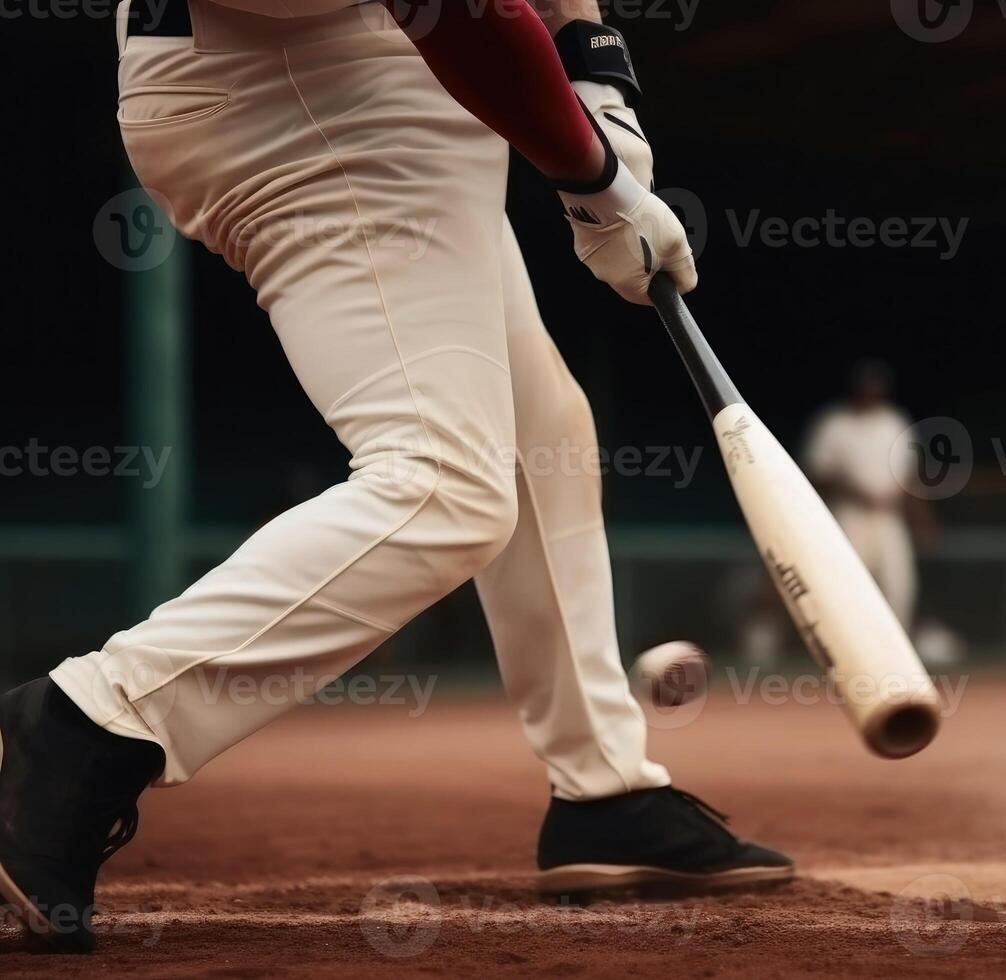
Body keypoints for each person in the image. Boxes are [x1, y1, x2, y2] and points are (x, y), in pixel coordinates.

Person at [0, 0, 791, 953]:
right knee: (446, 485)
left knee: (542, 431)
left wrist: (601, 93)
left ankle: (603, 790)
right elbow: (464, 15)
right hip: (303, 78)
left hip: (379, 65)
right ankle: (82, 724)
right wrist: (592, 175)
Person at [804, 361, 937, 634]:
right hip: (849, 514)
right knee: (848, 583)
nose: (871, 393)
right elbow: (819, 472)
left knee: (899, 585)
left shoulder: (894, 422)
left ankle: (896, 649)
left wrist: (922, 519)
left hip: (889, 515)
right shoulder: (835, 423)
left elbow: (910, 476)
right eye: (866, 388)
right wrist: (857, 491)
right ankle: (848, 644)